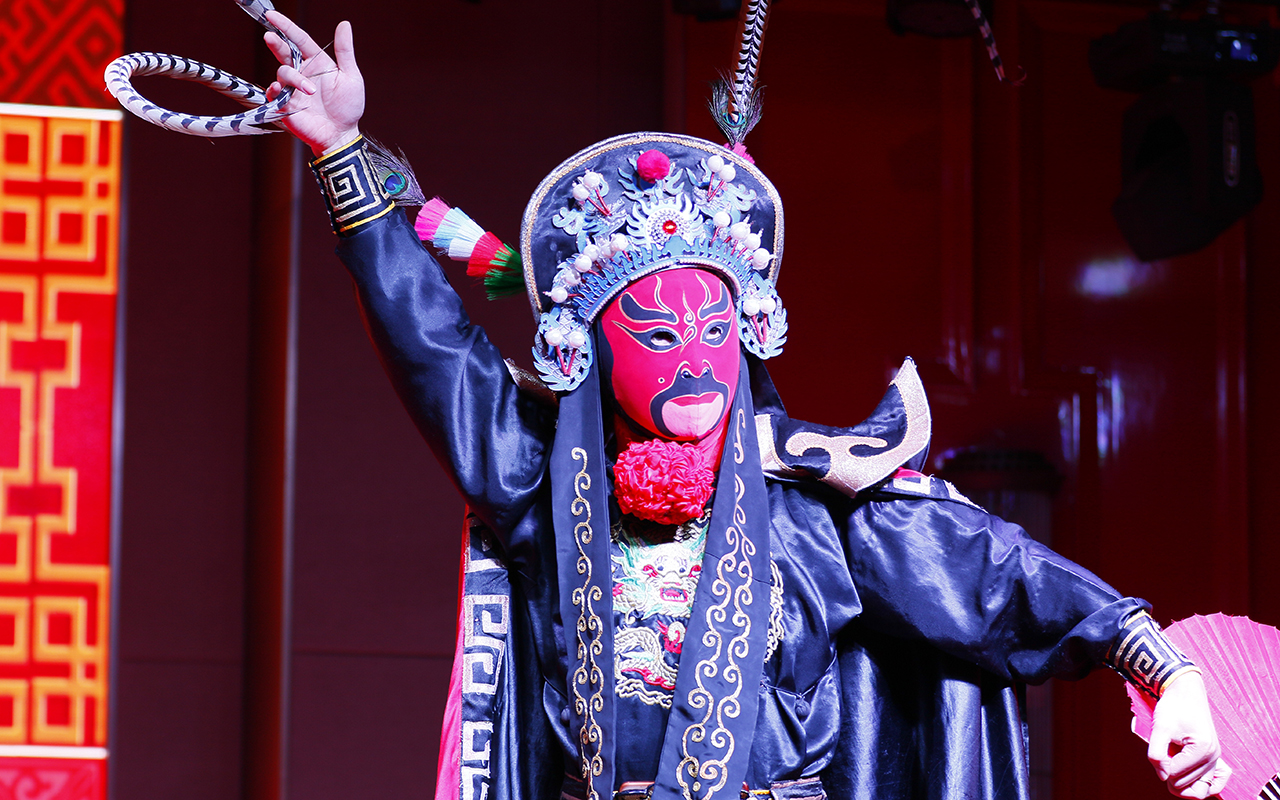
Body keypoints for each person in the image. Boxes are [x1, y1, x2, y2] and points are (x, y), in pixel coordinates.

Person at [258, 12, 1232, 800]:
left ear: (747, 332)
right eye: (656, 336)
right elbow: (434, 348)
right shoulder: (542, 485)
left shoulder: (810, 498)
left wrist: (1165, 670)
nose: (693, 363)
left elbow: (998, 576)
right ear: (591, 351)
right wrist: (340, 148)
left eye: (711, 331)